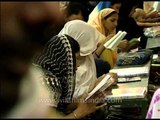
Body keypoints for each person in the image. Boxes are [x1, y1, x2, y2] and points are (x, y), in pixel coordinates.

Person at [0, 2, 107, 118]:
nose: (55, 14)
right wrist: (80, 112)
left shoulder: (31, 84)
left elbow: (61, 105)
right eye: (73, 60)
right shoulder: (49, 80)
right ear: (63, 60)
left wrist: (85, 101)